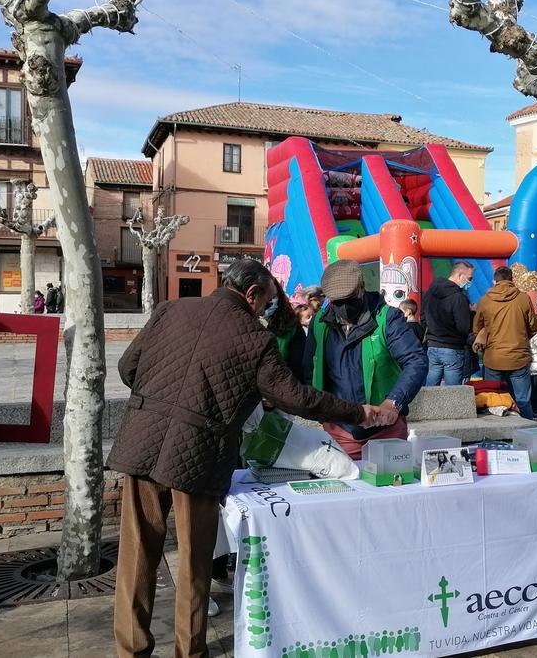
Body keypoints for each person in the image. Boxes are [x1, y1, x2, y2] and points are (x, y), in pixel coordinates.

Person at [109, 260, 384, 658]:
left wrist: (159, 401)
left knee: (136, 554)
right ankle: (190, 652)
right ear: (251, 294)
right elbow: (298, 398)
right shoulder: (255, 339)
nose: (266, 310)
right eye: (266, 302)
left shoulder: (171, 309)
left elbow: (127, 367)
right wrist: (358, 412)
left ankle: (131, 650)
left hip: (142, 440)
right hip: (199, 453)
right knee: (195, 561)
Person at [304, 259, 428, 459]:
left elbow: (416, 360)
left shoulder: (388, 318)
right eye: (337, 302)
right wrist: (322, 412)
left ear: (361, 289)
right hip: (338, 430)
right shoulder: (319, 323)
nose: (344, 307)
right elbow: (308, 368)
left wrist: (393, 401)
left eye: (349, 299)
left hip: (385, 428)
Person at [474, 266, 537, 419]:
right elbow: (533, 327)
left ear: (495, 281)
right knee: (523, 400)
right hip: (519, 356)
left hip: (493, 358)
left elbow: (477, 328)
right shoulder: (523, 298)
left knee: (493, 399)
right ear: (512, 279)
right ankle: (528, 429)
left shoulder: (485, 300)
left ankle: (496, 430)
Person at [424, 261, 475, 387]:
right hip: (452, 348)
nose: (470, 282)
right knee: (453, 392)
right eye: (469, 278)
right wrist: (471, 314)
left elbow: (423, 316)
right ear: (460, 275)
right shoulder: (459, 297)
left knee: (429, 390)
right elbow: (463, 327)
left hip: (432, 346)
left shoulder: (430, 292)